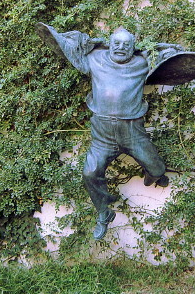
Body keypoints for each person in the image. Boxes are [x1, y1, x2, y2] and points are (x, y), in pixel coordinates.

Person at [36, 23, 183, 239]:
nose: (121, 48)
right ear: (109, 43)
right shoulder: (95, 58)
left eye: (126, 44)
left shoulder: (143, 62)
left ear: (134, 47)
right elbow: (71, 47)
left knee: (157, 167)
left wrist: (164, 51)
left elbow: (172, 58)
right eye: (116, 43)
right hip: (102, 133)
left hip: (132, 131)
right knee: (90, 173)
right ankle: (104, 212)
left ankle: (154, 174)